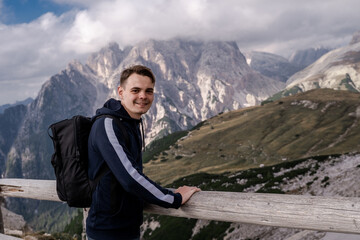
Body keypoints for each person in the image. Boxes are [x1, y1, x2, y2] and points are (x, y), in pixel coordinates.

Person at [86, 65, 201, 240]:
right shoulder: (107, 125)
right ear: (121, 91)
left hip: (127, 229)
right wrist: (174, 198)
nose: (143, 96)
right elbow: (130, 178)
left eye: (149, 91)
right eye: (135, 90)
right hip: (107, 232)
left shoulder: (130, 123)